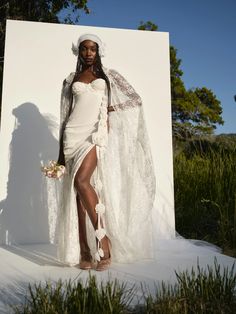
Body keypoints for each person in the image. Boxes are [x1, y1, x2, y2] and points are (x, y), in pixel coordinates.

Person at [56, 34, 156, 271]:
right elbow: (64, 116)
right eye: (84, 49)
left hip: (94, 135)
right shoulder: (71, 80)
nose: (88, 53)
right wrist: (60, 155)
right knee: (78, 193)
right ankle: (85, 250)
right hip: (73, 135)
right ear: (78, 52)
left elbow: (135, 99)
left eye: (92, 49)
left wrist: (111, 109)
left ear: (98, 51)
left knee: (82, 182)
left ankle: (104, 241)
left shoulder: (108, 76)